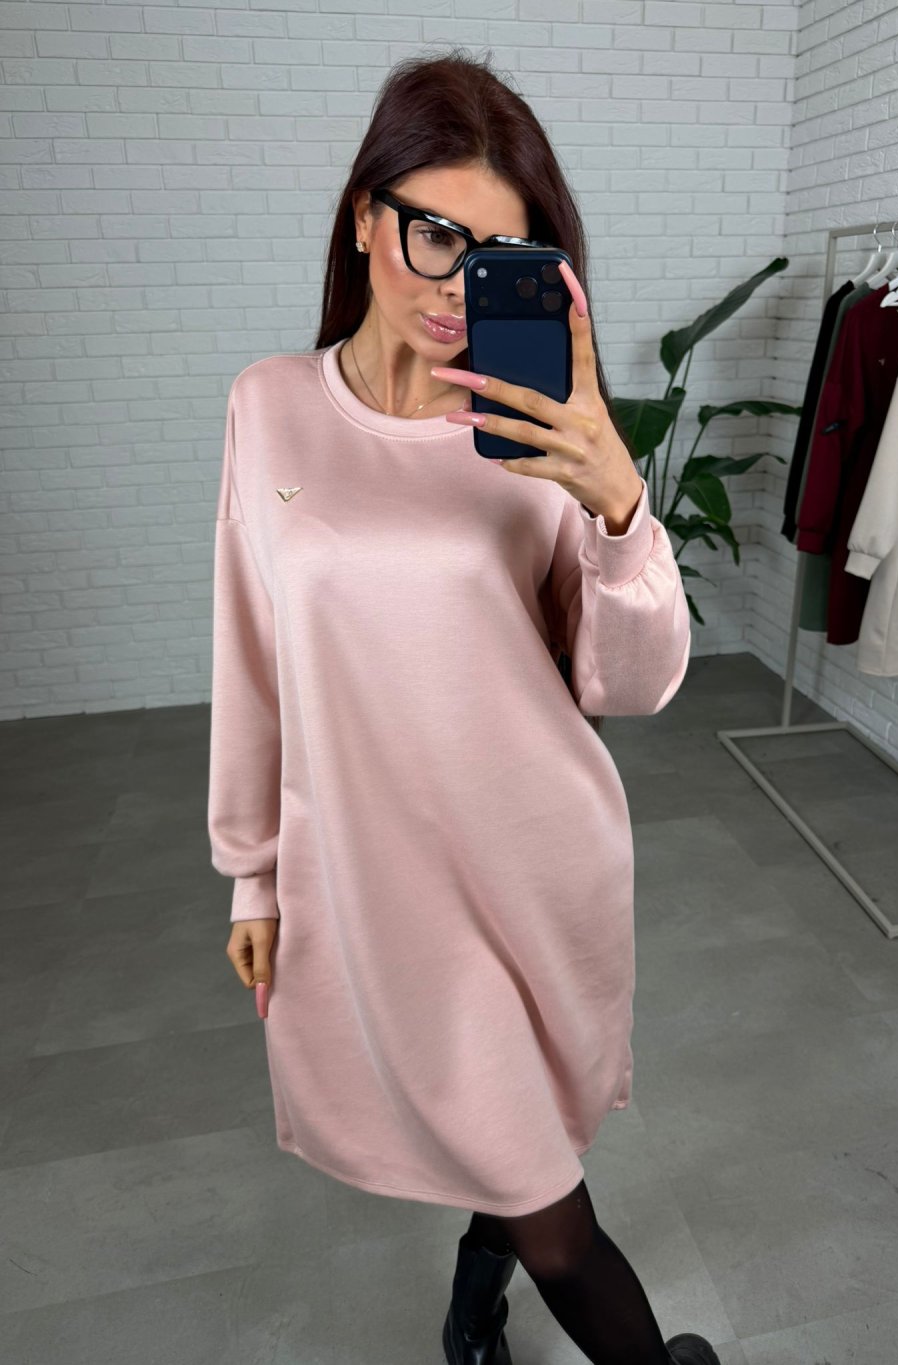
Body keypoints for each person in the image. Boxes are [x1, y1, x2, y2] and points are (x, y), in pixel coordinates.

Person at [208, 45, 718, 1365]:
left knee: (538, 1176)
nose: (459, 286)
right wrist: (253, 874)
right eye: (437, 235)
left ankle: (497, 1316)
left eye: (501, 253)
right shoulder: (269, 410)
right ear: (363, 218)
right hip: (375, 882)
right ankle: (487, 1312)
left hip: (532, 862)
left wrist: (618, 502)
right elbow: (252, 656)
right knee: (536, 1174)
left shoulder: (542, 430)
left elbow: (631, 681)